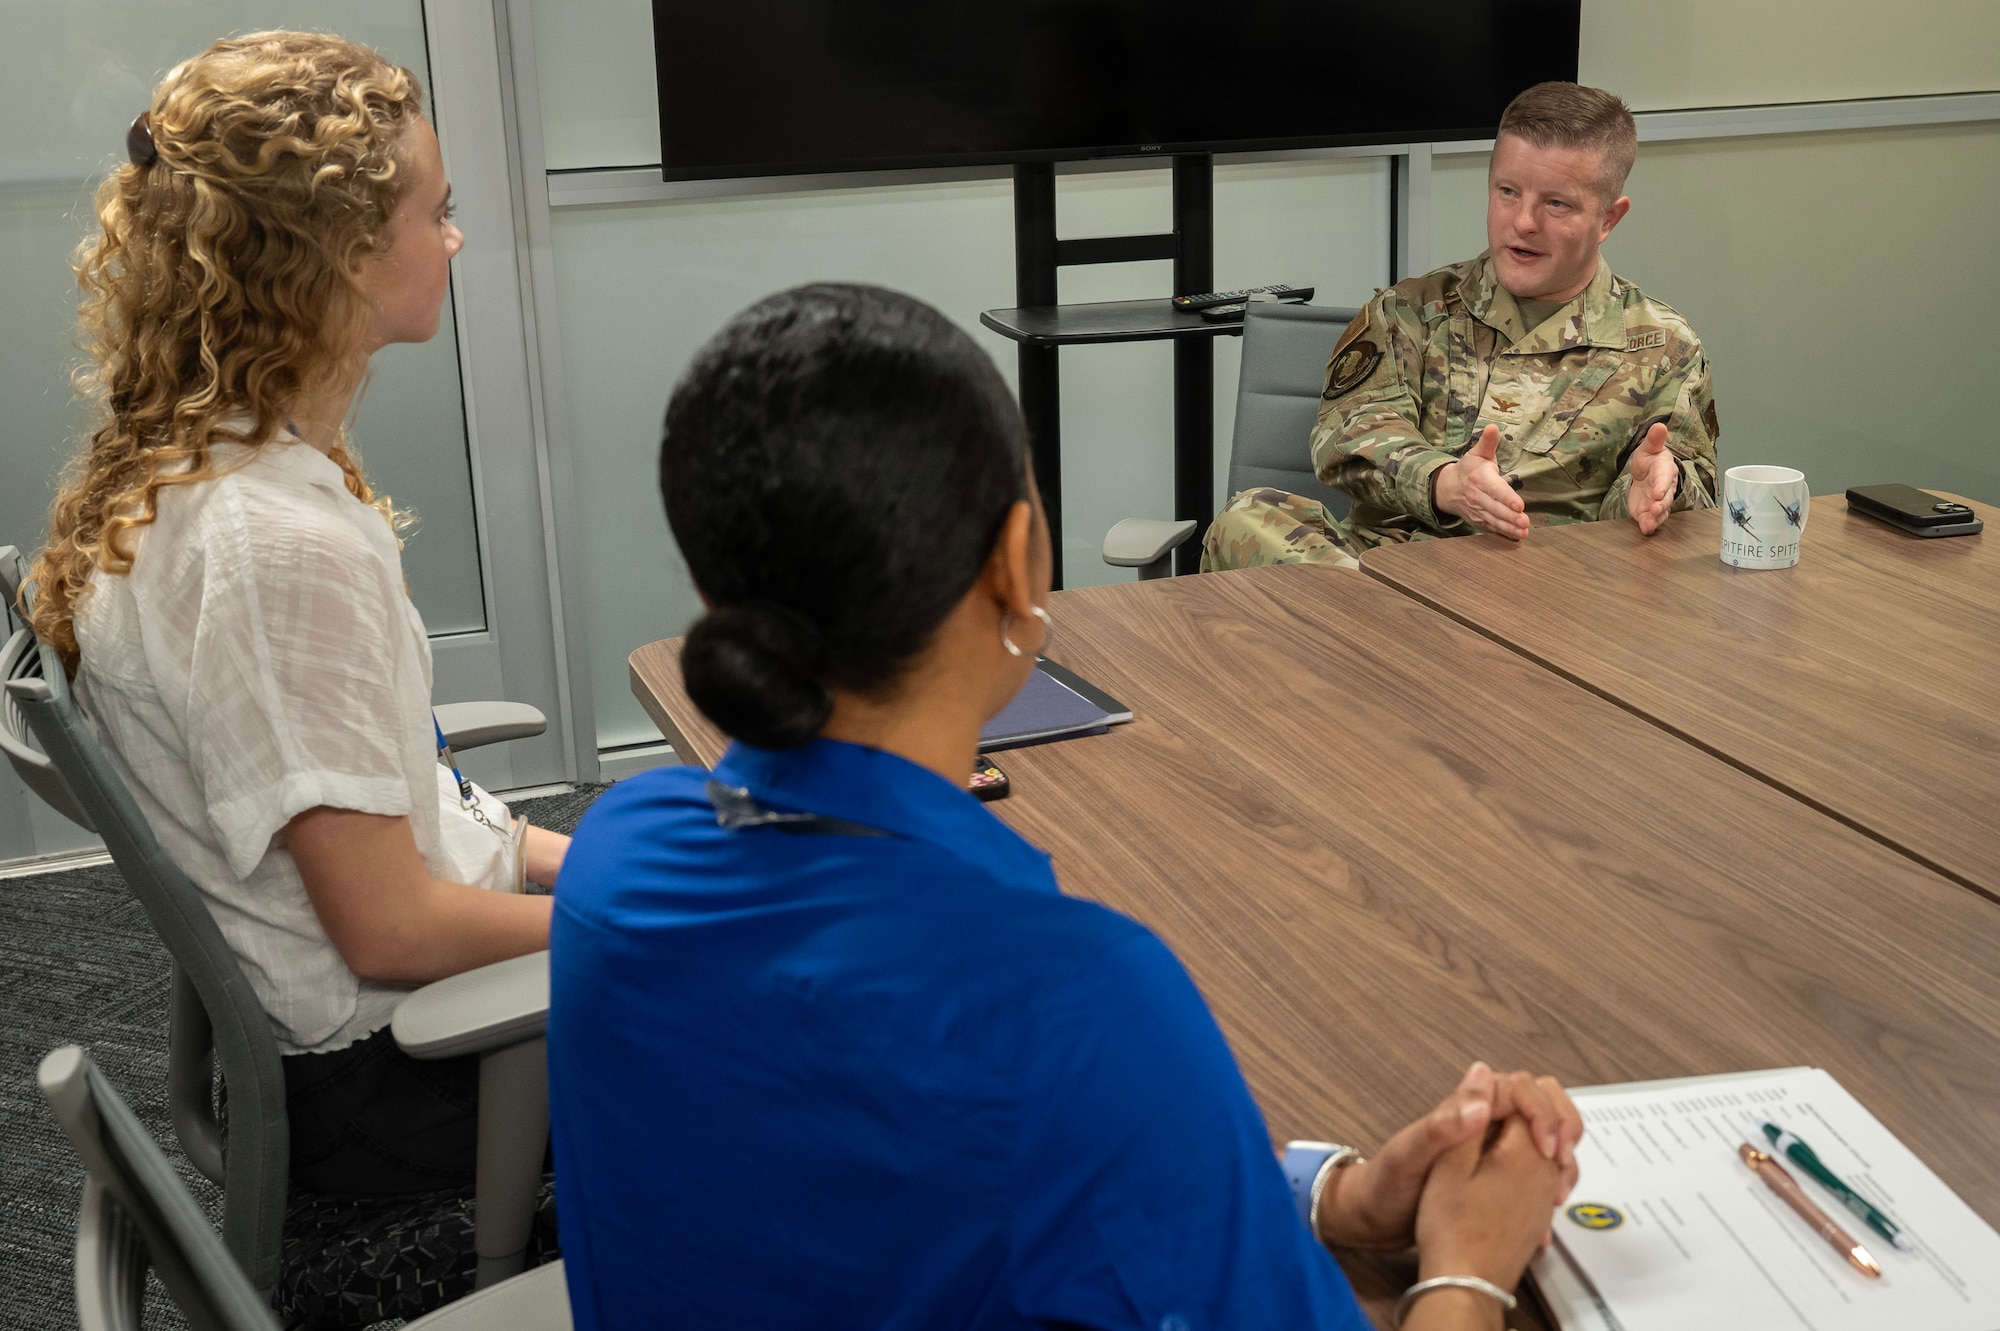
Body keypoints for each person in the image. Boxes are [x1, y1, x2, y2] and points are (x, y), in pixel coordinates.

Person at [549, 283, 1584, 1330]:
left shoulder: (619, 854)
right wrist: (1469, 1261)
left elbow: (996, 1171)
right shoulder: (1073, 999)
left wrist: (1335, 1193)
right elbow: (1043, 1113)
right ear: (1012, 559)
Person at [25, 30, 562, 1238]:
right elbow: (391, 927)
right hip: (403, 1080)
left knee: (706, 876)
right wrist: (652, 924)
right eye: (439, 212)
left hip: (368, 1031)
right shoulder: (272, 548)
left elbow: (384, 796)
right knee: (832, 1042)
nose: (456, 239)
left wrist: (552, 858)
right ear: (340, 254)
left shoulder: (199, 463)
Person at [1204, 82, 1719, 571]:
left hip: (1545, 590)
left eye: (1556, 203)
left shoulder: (1662, 345)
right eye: (1508, 191)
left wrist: (1658, 491)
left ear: (1609, 219)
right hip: (1384, 570)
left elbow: (1685, 481)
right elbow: (1348, 433)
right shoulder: (1410, 311)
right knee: (1248, 518)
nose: (1523, 222)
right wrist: (1445, 483)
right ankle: (1404, 637)